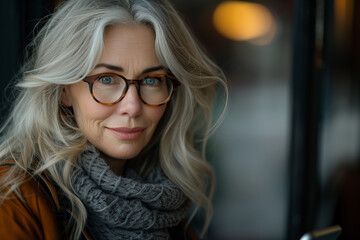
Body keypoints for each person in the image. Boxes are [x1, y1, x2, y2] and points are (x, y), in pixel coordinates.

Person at [0, 0, 228, 239]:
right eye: (107, 79)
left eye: (152, 80)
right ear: (63, 89)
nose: (132, 107)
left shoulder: (165, 205)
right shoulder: (14, 199)